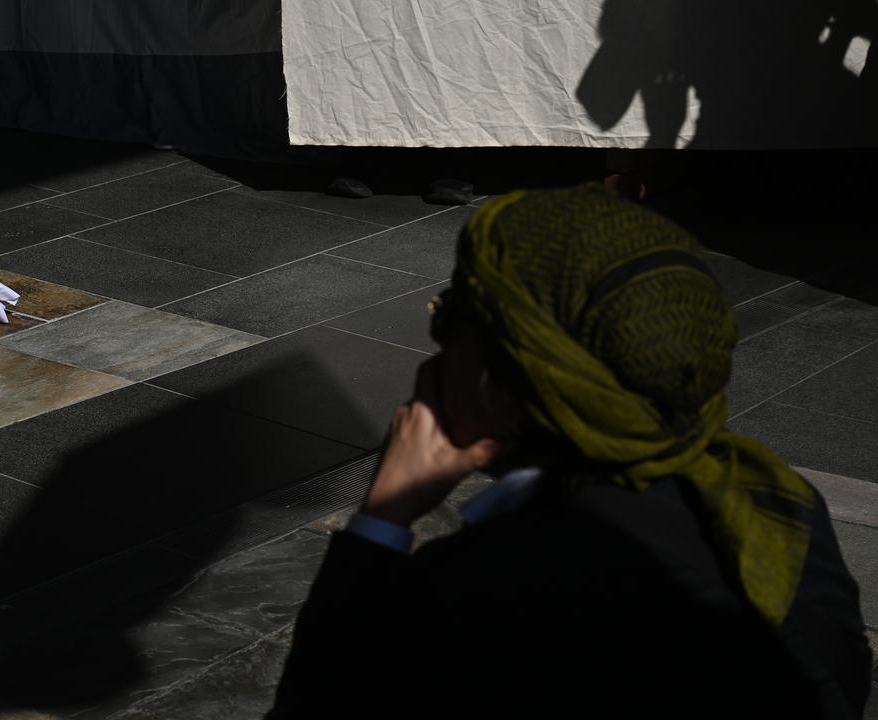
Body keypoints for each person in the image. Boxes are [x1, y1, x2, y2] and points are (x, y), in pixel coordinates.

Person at [267, 184, 871, 719]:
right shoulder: (780, 505)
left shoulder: (476, 598)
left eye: (450, 318)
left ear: (500, 380)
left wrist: (383, 518)